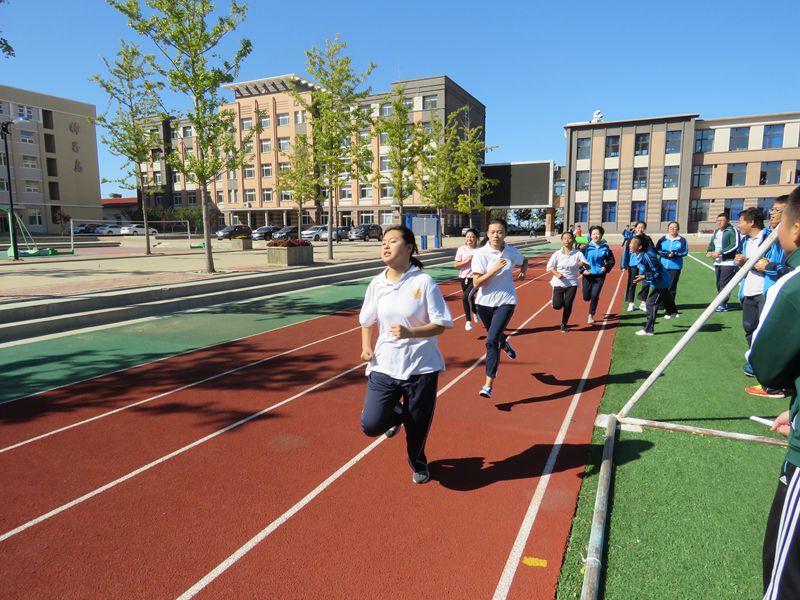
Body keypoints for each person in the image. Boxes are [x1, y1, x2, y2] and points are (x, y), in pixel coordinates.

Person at [359, 225, 453, 485]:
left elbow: (441, 324)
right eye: (383, 242)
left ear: (409, 248)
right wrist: (367, 346)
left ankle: (418, 460)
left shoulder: (423, 282)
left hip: (421, 367)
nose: (385, 246)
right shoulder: (377, 283)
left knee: (418, 426)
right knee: (371, 424)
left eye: (392, 241)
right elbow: (366, 320)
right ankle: (397, 416)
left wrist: (411, 332)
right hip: (384, 364)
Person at [749, 185, 800, 598]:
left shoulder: (795, 287)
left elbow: (767, 365)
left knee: (785, 582)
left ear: (796, 230)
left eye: (779, 218)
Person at [471, 218, 528, 399]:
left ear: (505, 233)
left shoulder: (511, 251)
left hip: (507, 300)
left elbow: (524, 260)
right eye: (493, 232)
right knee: (495, 336)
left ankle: (488, 385)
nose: (496, 235)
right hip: (484, 303)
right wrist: (493, 269)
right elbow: (477, 283)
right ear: (487, 234)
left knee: (490, 341)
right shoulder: (481, 254)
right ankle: (505, 343)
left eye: (500, 231)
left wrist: (523, 271)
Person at [630, 234, 678, 336]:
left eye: (632, 243)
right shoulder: (638, 255)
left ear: (640, 247)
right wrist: (644, 276)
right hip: (660, 281)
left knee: (651, 304)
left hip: (661, 281)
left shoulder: (647, 257)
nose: (630, 245)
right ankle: (672, 311)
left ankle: (648, 330)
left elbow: (657, 272)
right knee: (665, 296)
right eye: (630, 243)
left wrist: (644, 277)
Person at [547, 231, 589, 332]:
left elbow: (588, 266)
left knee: (568, 304)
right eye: (565, 238)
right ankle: (554, 300)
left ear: (573, 240)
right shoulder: (557, 254)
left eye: (569, 238)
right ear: (562, 240)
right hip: (558, 282)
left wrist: (584, 264)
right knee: (557, 306)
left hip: (572, 283)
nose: (567, 240)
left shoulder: (578, 253)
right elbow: (549, 267)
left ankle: (564, 323)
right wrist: (557, 274)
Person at [706, 212, 740, 312]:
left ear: (727, 221)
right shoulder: (716, 231)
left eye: (722, 220)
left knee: (724, 284)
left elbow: (735, 245)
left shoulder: (732, 230)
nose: (719, 222)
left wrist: (720, 253)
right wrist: (709, 251)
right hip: (717, 262)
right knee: (718, 283)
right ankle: (721, 302)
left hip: (728, 262)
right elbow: (712, 243)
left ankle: (723, 304)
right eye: (718, 220)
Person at [581, 225, 615, 325]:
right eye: (593, 234)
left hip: (600, 275)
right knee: (586, 297)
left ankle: (591, 315)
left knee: (595, 295)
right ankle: (591, 298)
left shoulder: (605, 247)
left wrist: (606, 267)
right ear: (590, 236)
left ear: (601, 235)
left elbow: (611, 260)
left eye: (598, 234)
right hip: (588, 275)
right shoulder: (586, 248)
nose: (596, 236)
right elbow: (578, 260)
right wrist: (582, 271)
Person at [622, 221, 653, 312]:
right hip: (633, 264)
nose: (640, 229)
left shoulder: (647, 239)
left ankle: (643, 303)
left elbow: (652, 250)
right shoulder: (630, 239)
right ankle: (631, 303)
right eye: (638, 227)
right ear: (635, 228)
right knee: (632, 283)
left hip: (645, 263)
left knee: (646, 282)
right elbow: (626, 252)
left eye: (642, 227)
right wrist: (624, 265)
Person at [454, 228, 481, 331]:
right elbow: (456, 264)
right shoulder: (461, 249)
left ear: (476, 238)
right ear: (465, 238)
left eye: (472, 237)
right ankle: (475, 311)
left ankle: (468, 321)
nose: (470, 239)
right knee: (470, 297)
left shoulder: (479, 250)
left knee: (465, 297)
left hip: (476, 278)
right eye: (468, 237)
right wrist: (466, 261)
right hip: (464, 277)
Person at [655, 221, 688, 301]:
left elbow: (684, 252)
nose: (673, 229)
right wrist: (666, 254)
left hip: (675, 267)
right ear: (668, 229)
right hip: (662, 266)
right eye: (671, 227)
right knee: (661, 285)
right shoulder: (662, 239)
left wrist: (674, 253)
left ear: (678, 229)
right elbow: (657, 250)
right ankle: (660, 303)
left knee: (671, 286)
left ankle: (669, 306)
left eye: (675, 227)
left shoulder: (682, 240)